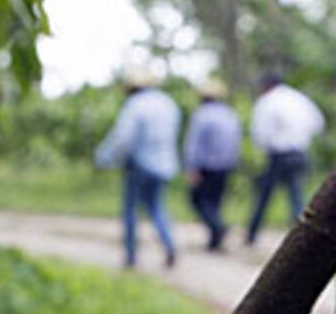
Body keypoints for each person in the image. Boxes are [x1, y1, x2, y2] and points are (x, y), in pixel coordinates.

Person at [94, 67, 181, 268]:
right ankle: (169, 246)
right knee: (156, 207)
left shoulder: (135, 105)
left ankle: (131, 256)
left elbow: (123, 138)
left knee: (130, 210)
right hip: (164, 165)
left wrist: (105, 158)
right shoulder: (168, 103)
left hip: (140, 165)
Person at [246, 71, 325, 245]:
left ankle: (251, 235)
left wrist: (265, 147)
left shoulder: (267, 101)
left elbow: (259, 133)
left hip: (278, 156)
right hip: (299, 153)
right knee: (296, 196)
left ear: (267, 85)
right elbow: (318, 123)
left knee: (263, 197)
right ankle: (300, 237)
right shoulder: (299, 99)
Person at [183, 78, 242, 251]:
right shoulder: (229, 114)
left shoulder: (201, 114)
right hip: (225, 165)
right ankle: (214, 240)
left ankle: (218, 228)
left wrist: (192, 167)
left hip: (206, 166)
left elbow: (194, 143)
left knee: (198, 200)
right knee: (215, 202)